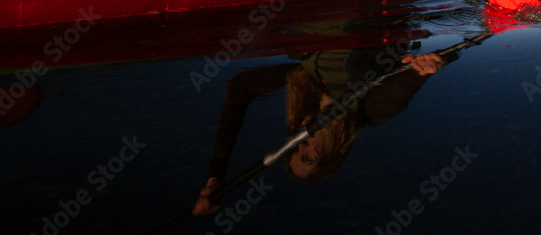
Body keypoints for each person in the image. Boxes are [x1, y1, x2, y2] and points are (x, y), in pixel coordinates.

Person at [192, 44, 447, 216]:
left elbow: (239, 87)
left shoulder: (306, 80)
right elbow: (401, 91)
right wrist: (422, 70)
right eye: (310, 154)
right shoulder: (372, 110)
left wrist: (216, 177)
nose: (306, 141)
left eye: (297, 145)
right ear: (333, 152)